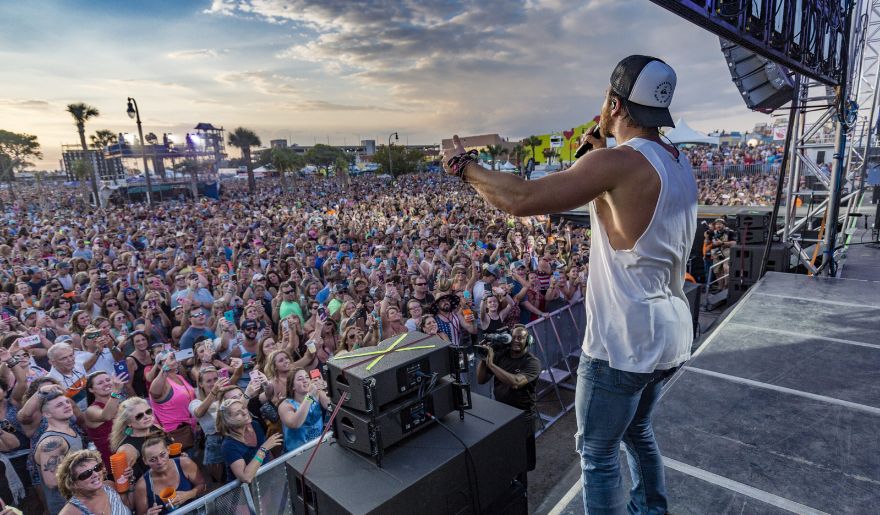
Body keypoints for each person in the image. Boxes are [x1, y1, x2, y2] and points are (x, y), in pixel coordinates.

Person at [444, 55, 697, 514]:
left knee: (597, 456)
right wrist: (594, 156)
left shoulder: (620, 163)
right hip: (670, 334)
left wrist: (463, 167)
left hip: (623, 341)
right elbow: (617, 216)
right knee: (638, 432)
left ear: (614, 103)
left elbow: (521, 199)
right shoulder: (678, 161)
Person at [476, 325, 541, 480]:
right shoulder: (501, 355)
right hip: (502, 415)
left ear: (528, 341)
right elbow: (481, 379)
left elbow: (516, 382)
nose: (517, 340)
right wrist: (484, 358)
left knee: (521, 463)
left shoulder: (532, 363)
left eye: (521, 337)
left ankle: (521, 492)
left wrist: (492, 364)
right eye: (514, 337)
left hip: (522, 419)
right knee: (505, 457)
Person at [32, 386, 88, 514]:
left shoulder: (68, 430)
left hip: (83, 500)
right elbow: (52, 481)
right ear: (47, 414)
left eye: (67, 402)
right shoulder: (53, 442)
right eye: (59, 405)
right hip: (68, 507)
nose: (67, 405)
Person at [215, 398, 283, 483]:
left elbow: (268, 454)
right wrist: (263, 449)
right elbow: (246, 477)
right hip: (247, 492)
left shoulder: (255, 425)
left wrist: (275, 470)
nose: (244, 412)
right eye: (237, 413)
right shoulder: (228, 445)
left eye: (243, 408)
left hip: (266, 481)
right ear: (228, 421)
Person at [132, 437, 206, 514]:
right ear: (145, 461)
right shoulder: (142, 485)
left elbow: (202, 485)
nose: (160, 462)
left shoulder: (184, 464)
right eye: (153, 459)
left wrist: (188, 495)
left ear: (168, 450)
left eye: (162, 455)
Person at [55, 449, 134, 515]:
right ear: (73, 484)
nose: (95, 474)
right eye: (86, 474)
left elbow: (130, 506)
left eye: (97, 468)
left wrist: (129, 482)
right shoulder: (69, 512)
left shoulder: (110, 486)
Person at [278, 368, 330, 452]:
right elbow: (294, 423)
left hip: (317, 447)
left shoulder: (317, 394)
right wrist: (309, 396)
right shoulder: (285, 405)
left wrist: (326, 387)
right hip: (296, 454)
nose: (305, 381)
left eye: (307, 377)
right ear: (292, 386)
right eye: (300, 379)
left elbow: (331, 405)